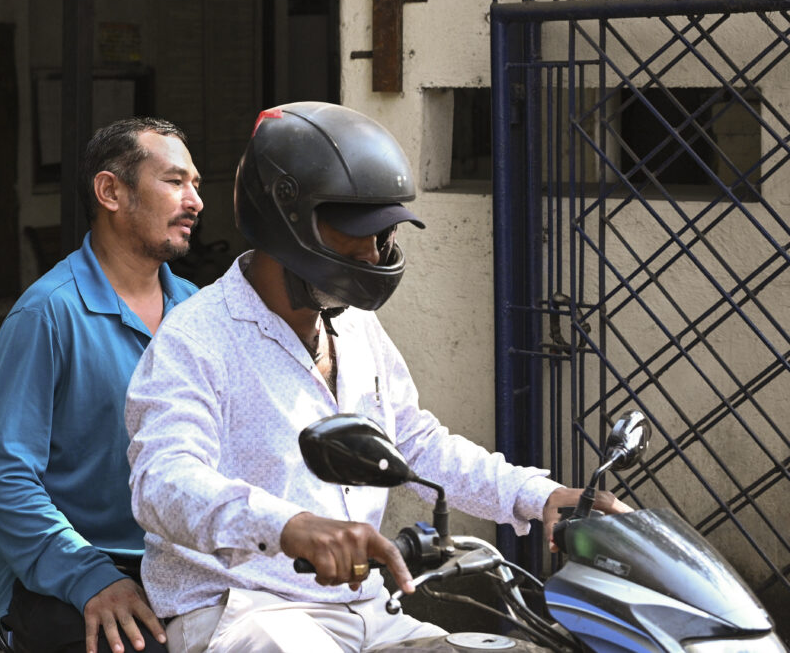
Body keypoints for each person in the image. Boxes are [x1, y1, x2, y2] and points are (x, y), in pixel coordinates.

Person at [124, 102, 630, 652]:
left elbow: (413, 443)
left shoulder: (356, 327)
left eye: (381, 233)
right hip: (246, 610)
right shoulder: (197, 338)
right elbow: (163, 482)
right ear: (284, 218)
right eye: (353, 232)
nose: (372, 251)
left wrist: (539, 494)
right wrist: (290, 525)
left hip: (367, 608)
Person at [0, 116, 203, 653]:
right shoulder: (48, 314)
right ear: (110, 191)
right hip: (78, 572)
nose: (194, 200)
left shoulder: (197, 310)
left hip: (182, 567)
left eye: (196, 185)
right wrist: (88, 576)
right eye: (174, 181)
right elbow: (2, 474)